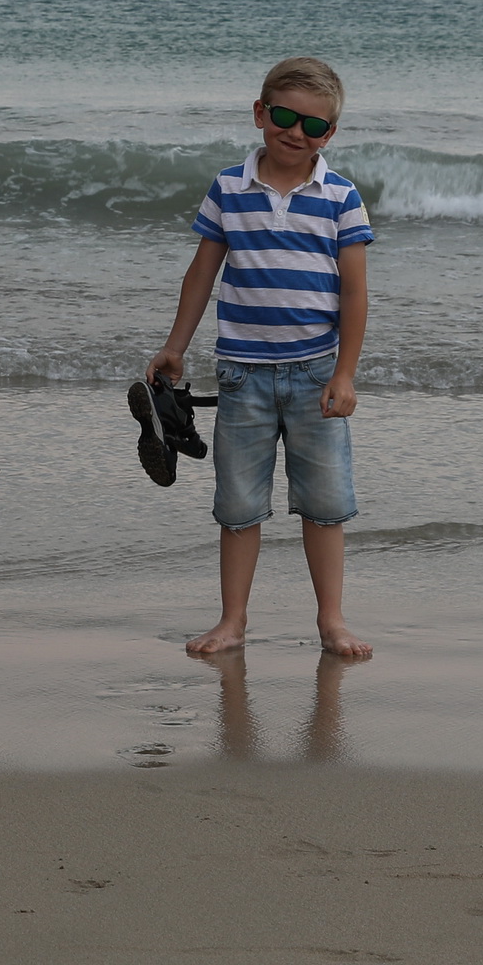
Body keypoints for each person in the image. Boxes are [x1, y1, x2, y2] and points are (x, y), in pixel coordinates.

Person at [148, 56, 374, 661]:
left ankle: (332, 621)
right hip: (241, 375)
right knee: (239, 506)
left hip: (316, 376)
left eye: (314, 125)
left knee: (325, 507)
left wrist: (346, 374)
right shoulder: (229, 188)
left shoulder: (341, 197)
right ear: (259, 112)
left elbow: (355, 293)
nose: (296, 132)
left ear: (330, 133)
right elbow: (201, 274)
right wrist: (175, 346)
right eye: (284, 116)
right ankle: (232, 621)